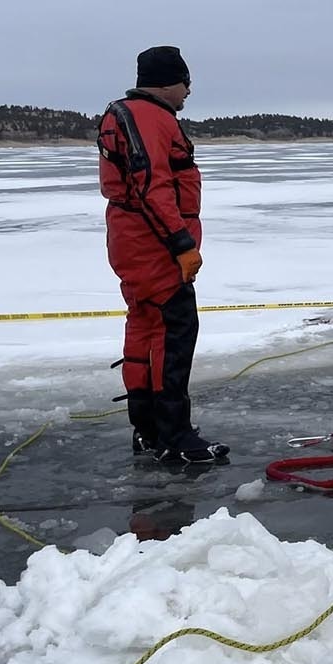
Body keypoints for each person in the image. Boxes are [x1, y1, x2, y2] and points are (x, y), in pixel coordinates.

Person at [97, 46, 228, 465]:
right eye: (185, 82)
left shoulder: (130, 115)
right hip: (154, 247)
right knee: (174, 334)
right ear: (168, 82)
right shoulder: (151, 120)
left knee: (146, 328)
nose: (189, 91)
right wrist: (181, 245)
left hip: (133, 241)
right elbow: (152, 187)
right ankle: (175, 434)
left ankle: (150, 430)